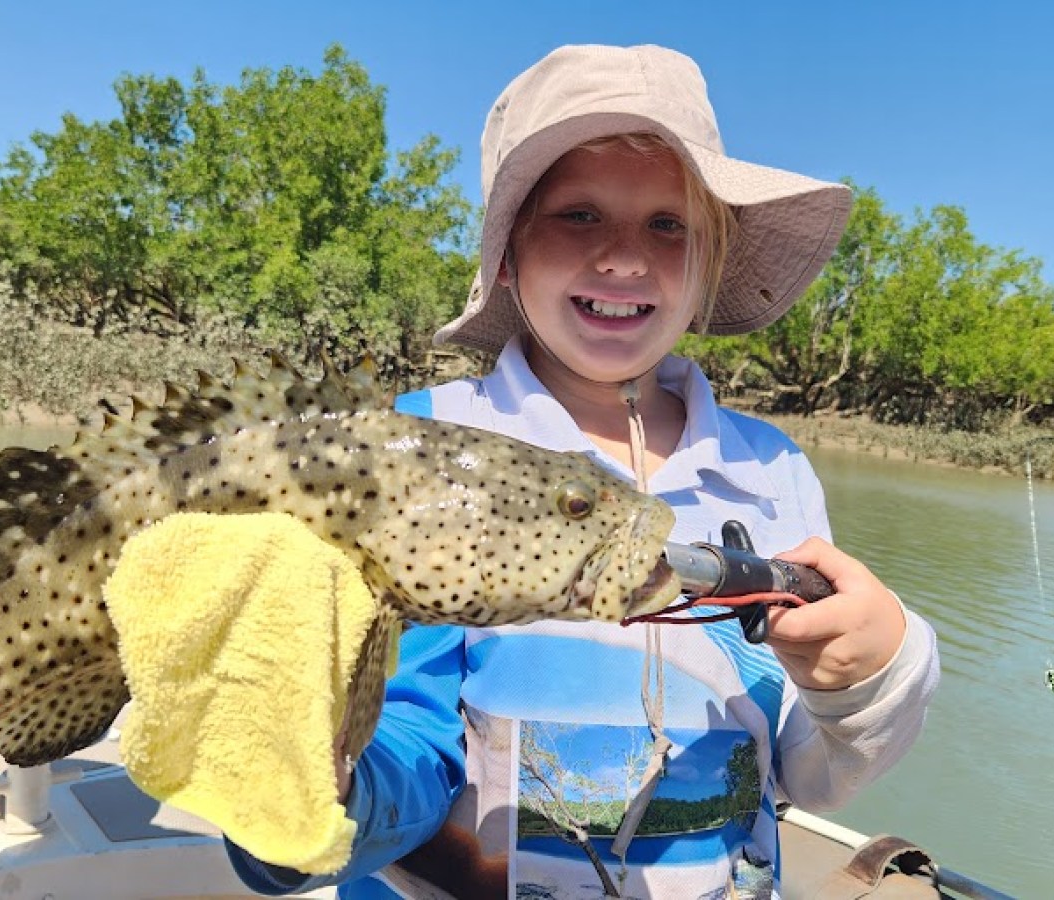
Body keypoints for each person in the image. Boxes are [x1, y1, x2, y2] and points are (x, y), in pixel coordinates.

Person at [227, 43, 939, 899]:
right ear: (508, 252)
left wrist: (871, 678)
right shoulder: (421, 445)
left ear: (709, 259)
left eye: (667, 225)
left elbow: (799, 770)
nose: (625, 257)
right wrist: (312, 779)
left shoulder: (772, 470)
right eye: (579, 216)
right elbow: (408, 742)